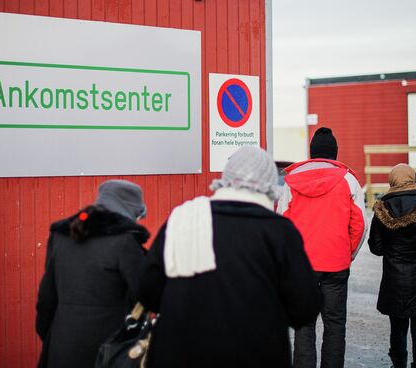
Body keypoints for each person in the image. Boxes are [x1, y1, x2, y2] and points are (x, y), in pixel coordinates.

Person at [136, 146, 321, 368]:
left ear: (226, 179)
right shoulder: (280, 232)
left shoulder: (183, 218)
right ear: (269, 186)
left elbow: (148, 292)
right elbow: (305, 309)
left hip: (177, 354)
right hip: (256, 355)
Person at [277, 127, 367, 368]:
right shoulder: (349, 180)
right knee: (335, 324)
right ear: (334, 153)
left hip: (302, 266)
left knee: (304, 325)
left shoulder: (292, 181)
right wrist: (346, 253)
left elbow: (282, 223)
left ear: (312, 152)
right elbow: (359, 225)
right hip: (336, 264)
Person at [36, 180, 150, 368]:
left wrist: (54, 337)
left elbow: (46, 300)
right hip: (109, 353)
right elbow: (146, 294)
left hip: (61, 349)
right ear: (131, 211)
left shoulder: (61, 236)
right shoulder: (125, 241)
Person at [368, 164, 416, 368]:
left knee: (398, 329)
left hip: (395, 279)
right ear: (414, 178)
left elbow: (375, 247)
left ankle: (398, 364)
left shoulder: (382, 207)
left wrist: (392, 249)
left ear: (392, 180)